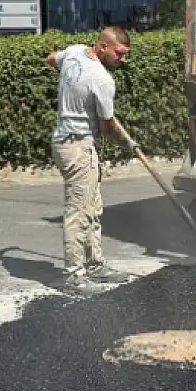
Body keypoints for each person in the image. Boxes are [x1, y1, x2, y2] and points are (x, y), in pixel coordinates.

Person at [46, 27, 137, 289]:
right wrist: (127, 143)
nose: (123, 59)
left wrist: (72, 86)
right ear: (103, 46)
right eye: (119, 53)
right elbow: (107, 126)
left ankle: (94, 264)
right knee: (79, 212)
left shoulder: (74, 52)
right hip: (78, 147)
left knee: (93, 208)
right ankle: (73, 276)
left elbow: (52, 59)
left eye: (126, 54)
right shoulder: (103, 80)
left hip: (68, 144)